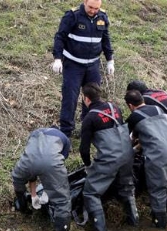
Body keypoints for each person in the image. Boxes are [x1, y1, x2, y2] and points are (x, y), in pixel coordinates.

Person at [80, 82, 138, 231]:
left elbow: (83, 149)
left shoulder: (89, 118)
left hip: (109, 159)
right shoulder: (115, 108)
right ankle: (135, 225)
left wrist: (88, 166)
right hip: (128, 154)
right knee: (126, 188)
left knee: (91, 192)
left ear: (86, 99)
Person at [52, 0, 115, 137]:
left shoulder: (102, 17)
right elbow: (60, 37)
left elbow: (105, 39)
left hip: (93, 66)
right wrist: (57, 58)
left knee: (93, 97)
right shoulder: (72, 16)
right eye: (90, 7)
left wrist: (110, 59)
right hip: (73, 65)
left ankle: (88, 127)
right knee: (70, 97)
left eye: (96, 8)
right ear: (85, 2)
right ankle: (66, 131)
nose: (93, 11)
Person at [124, 90, 167, 228]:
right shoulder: (158, 108)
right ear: (143, 100)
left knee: (158, 190)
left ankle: (160, 229)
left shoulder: (134, 117)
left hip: (159, 153)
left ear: (130, 106)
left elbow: (127, 140)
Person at [12, 127, 72, 231]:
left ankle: (23, 207)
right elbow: (54, 168)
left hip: (27, 162)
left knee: (17, 179)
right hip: (51, 162)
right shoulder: (64, 138)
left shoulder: (34, 134)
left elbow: (32, 173)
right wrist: (48, 191)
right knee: (62, 201)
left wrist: (34, 195)